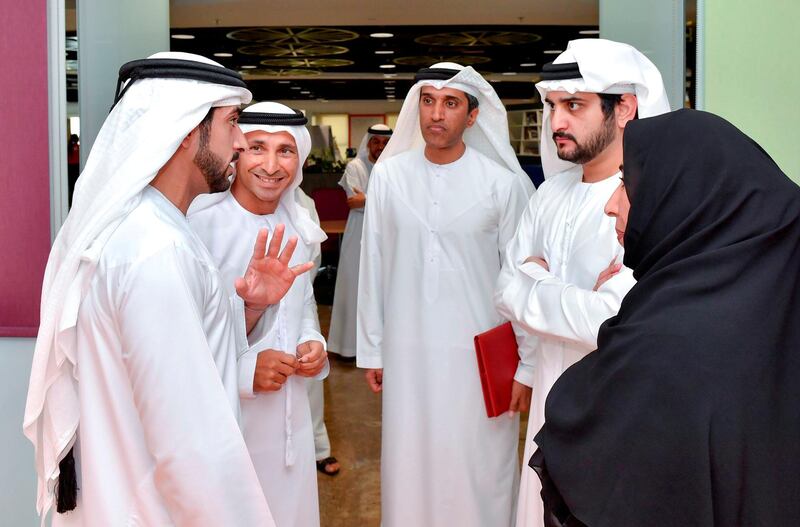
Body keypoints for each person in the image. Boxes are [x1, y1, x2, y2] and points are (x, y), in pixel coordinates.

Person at [22, 53, 311, 526]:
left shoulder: (151, 231)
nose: (239, 143)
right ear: (184, 132)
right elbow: (189, 443)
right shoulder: (154, 250)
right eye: (232, 123)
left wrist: (251, 310)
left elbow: (180, 358)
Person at [532, 108, 800, 526]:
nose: (610, 204)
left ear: (682, 194)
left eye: (627, 183)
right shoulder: (771, 307)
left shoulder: (668, 339)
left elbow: (585, 440)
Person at [493, 38, 671, 527]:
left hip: (619, 409)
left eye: (574, 105)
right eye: (552, 106)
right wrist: (554, 291)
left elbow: (610, 321)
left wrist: (534, 277)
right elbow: (504, 290)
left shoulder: (649, 201)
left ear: (625, 109)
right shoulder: (550, 193)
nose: (556, 122)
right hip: (550, 398)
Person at [357, 62, 535, 526]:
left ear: (472, 117)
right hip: (407, 350)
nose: (436, 114)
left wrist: (527, 363)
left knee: (481, 464)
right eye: (428, 101)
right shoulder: (390, 177)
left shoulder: (504, 184)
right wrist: (372, 349)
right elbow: (373, 264)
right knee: (409, 459)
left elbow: (521, 282)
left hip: (480, 356)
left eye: (451, 103)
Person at [189, 101, 329, 527]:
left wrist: (313, 344)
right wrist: (247, 371)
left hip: (289, 418)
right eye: (256, 148)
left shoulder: (300, 224)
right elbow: (183, 335)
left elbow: (302, 305)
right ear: (235, 151)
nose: (271, 165)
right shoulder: (199, 224)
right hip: (226, 418)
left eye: (285, 151)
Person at [328, 123, 392, 359]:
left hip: (387, 235)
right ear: (368, 143)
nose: (380, 147)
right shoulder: (355, 166)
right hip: (358, 233)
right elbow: (353, 202)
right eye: (376, 141)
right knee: (354, 285)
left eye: (385, 143)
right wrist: (382, 200)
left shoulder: (395, 166)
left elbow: (386, 203)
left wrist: (369, 198)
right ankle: (349, 347)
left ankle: (381, 347)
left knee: (383, 287)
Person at [295, 187, 340, 476]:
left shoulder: (305, 204)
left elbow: (313, 261)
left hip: (298, 303)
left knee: (309, 380)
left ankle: (319, 448)